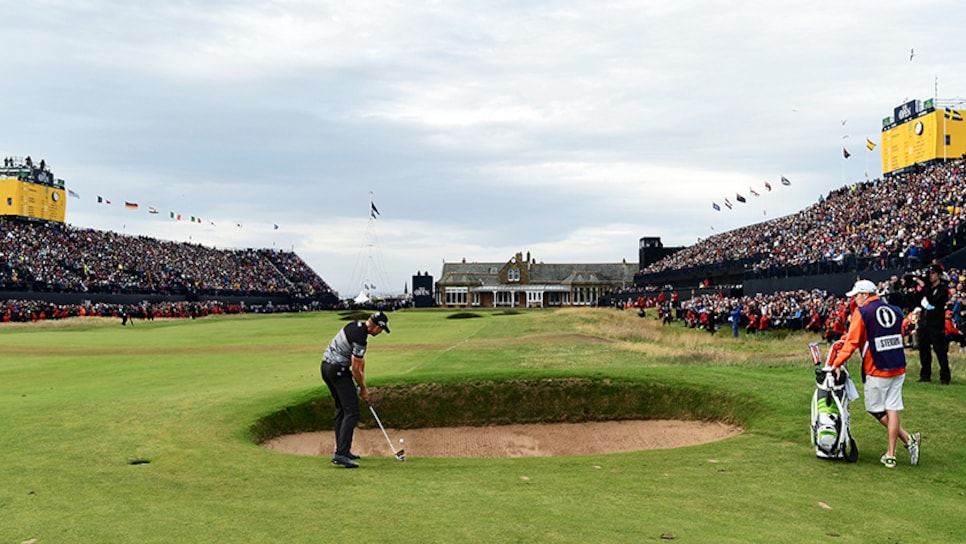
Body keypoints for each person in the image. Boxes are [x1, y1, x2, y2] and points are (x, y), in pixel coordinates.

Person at [830, 280, 919, 469]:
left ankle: (905, 441)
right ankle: (894, 452)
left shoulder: (862, 313)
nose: (855, 299)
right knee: (892, 408)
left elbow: (853, 343)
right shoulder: (895, 310)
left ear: (864, 294)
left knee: (875, 408)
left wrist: (836, 363)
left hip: (877, 367)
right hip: (898, 364)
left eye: (856, 295)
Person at [320, 311, 391, 468]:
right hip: (338, 371)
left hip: (326, 367)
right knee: (352, 411)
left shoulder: (355, 327)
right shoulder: (360, 338)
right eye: (381, 330)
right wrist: (363, 388)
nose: (380, 333)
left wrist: (360, 383)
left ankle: (343, 451)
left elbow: (360, 361)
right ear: (377, 327)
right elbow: (355, 370)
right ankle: (340, 454)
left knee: (342, 409)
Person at [914, 264, 951, 384]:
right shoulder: (928, 288)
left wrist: (924, 288)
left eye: (933, 273)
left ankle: (945, 376)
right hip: (924, 322)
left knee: (939, 349)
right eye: (930, 273)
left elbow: (934, 301)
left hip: (935, 323)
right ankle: (925, 374)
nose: (931, 276)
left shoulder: (942, 289)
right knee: (923, 349)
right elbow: (918, 300)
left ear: (939, 275)